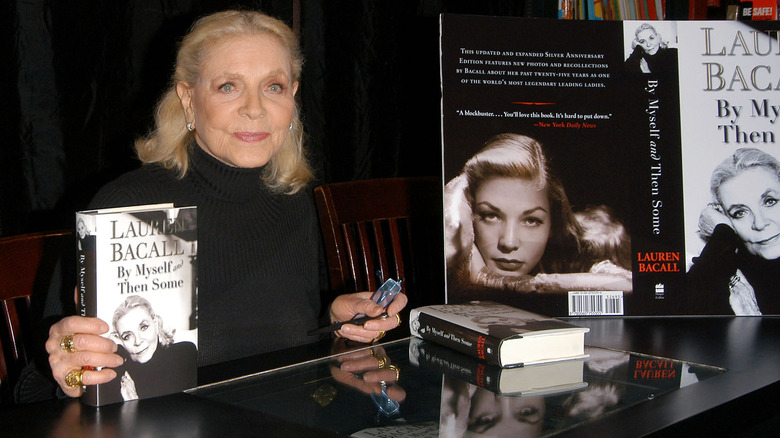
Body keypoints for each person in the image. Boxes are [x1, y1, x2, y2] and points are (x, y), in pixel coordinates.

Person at [37, 10, 406, 401]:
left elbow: (286, 351)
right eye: (229, 86)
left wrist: (335, 322)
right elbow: (36, 385)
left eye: (274, 87)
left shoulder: (296, 200)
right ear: (189, 99)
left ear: (294, 96)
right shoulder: (124, 208)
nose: (254, 108)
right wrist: (67, 372)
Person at [444, 133, 631, 299]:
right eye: (490, 215)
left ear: (553, 223)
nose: (509, 243)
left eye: (531, 221)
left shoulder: (584, 251)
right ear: (469, 213)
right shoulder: (451, 256)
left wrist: (498, 281)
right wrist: (461, 186)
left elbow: (628, 284)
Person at [687, 147, 780, 315]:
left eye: (770, 201)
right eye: (740, 213)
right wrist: (722, 233)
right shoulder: (729, 284)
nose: (760, 223)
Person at [105, 296, 198, 402]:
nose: (138, 341)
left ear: (155, 322)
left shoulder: (184, 354)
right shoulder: (117, 375)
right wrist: (115, 349)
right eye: (127, 336)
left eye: (143, 327)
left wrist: (135, 403)